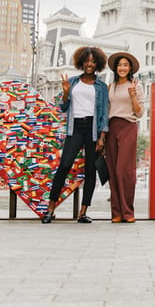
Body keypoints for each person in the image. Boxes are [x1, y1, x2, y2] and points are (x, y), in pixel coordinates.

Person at [42, 46, 109, 224]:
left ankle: (83, 212)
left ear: (98, 64)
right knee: (64, 166)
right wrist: (65, 93)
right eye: (87, 61)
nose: (89, 64)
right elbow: (63, 107)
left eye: (93, 61)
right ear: (81, 62)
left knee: (90, 171)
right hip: (75, 127)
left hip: (93, 129)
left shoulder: (101, 86)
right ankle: (50, 209)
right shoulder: (72, 82)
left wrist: (102, 137)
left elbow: (104, 114)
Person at [106, 51, 144, 223]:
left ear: (130, 69)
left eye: (125, 65)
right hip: (111, 128)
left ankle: (128, 211)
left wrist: (133, 95)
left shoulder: (136, 85)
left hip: (128, 126)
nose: (122, 68)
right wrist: (102, 136)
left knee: (124, 170)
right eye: (119, 65)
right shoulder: (110, 86)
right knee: (113, 171)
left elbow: (140, 112)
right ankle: (116, 212)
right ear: (116, 67)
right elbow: (106, 111)